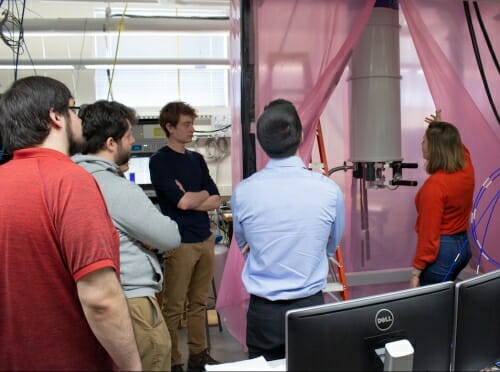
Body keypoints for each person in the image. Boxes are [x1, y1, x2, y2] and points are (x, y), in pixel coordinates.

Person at [0, 76, 141, 370]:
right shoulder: (70, 182)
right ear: (55, 117)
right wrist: (131, 366)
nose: (79, 120)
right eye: (74, 110)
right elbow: (100, 299)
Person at [231, 98, 346, 361]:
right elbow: (332, 242)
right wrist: (310, 251)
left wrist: (267, 256)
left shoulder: (244, 192)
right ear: (301, 135)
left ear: (261, 143)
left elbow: (243, 244)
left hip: (264, 313)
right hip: (310, 308)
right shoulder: (329, 190)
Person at [72, 100, 182, 371]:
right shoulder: (116, 188)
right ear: (111, 143)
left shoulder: (70, 179)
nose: (133, 142)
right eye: (129, 136)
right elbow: (169, 236)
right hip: (132, 303)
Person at [149, 101, 221, 372]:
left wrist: (195, 197)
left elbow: (213, 198)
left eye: (193, 124)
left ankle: (198, 357)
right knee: (174, 307)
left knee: (199, 304)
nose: (192, 129)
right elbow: (180, 204)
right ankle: (173, 361)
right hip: (179, 243)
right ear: (169, 127)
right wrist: (194, 197)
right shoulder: (159, 161)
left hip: (204, 239)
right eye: (186, 124)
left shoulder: (197, 159)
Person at [410, 110, 475, 288]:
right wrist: (441, 128)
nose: (422, 143)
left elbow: (428, 234)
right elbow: (459, 148)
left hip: (443, 252)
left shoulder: (435, 186)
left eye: (425, 140)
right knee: (443, 302)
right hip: (462, 247)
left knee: (427, 307)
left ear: (435, 148)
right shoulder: (466, 168)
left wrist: (416, 272)